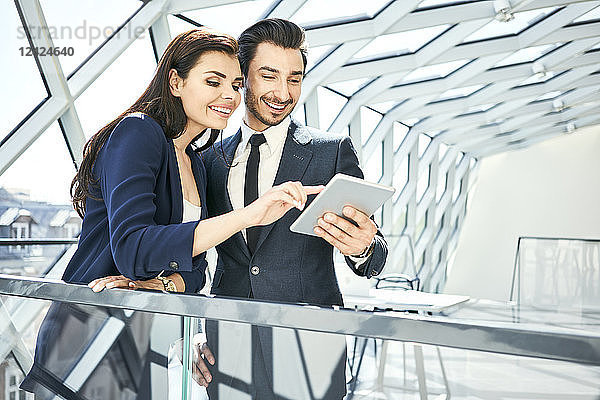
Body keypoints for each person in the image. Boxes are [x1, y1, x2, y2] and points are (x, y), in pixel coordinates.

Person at [198, 19, 388, 399]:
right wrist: (193, 335)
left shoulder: (331, 151)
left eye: (295, 79)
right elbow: (193, 249)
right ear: (242, 77)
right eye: (269, 76)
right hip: (227, 345)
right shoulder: (209, 158)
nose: (283, 92)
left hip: (310, 346)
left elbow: (374, 256)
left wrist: (363, 245)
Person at [63, 28, 321, 293]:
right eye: (213, 82)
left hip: (144, 320)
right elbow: (132, 251)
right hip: (90, 313)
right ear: (176, 83)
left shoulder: (196, 161)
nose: (231, 96)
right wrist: (248, 215)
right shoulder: (138, 131)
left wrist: (163, 283)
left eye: (235, 85)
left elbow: (197, 272)